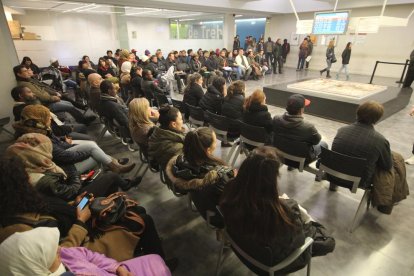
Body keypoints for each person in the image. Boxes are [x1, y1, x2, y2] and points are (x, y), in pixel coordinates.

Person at [0, 157, 176, 268]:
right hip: (82, 242)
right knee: (142, 218)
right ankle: (158, 261)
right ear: (17, 186)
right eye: (25, 178)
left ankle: (146, 244)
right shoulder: (19, 229)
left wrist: (76, 203)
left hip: (79, 221)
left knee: (133, 209)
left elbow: (59, 210)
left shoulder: (23, 206)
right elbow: (61, 255)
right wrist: (80, 221)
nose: (30, 180)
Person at [220, 146, 335, 275]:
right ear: (271, 180)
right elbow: (299, 241)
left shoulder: (229, 190)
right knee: (327, 240)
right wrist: (301, 214)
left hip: (242, 251)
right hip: (271, 266)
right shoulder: (282, 212)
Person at [6, 133, 138, 200]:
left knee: (101, 164)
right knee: (111, 176)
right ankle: (121, 187)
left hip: (71, 192)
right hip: (79, 203)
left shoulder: (32, 168)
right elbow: (72, 192)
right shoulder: (43, 180)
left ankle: (115, 190)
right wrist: (76, 175)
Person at [331, 101, 409, 213]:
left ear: (357, 113)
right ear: (377, 119)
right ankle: (385, 204)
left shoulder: (342, 130)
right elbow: (387, 166)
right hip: (359, 180)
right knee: (394, 163)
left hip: (333, 172)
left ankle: (333, 186)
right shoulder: (380, 140)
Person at [12, 105, 135, 174]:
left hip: (60, 154)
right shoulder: (38, 136)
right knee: (92, 149)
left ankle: (112, 163)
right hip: (62, 169)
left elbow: (56, 145)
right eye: (48, 117)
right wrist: (87, 152)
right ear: (39, 119)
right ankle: (113, 166)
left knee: (92, 144)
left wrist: (64, 142)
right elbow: (63, 157)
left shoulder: (38, 129)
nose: (50, 119)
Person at [0, 227, 171, 276]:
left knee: (155, 259)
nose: (59, 249)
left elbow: (89, 255)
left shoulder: (63, 254)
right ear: (36, 266)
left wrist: (116, 268)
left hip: (112, 272)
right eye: (51, 252)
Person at [166, 127, 235, 228]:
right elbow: (234, 202)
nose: (216, 143)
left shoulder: (180, 164)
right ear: (208, 150)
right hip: (221, 219)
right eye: (215, 141)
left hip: (204, 208)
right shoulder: (218, 177)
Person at [13, 65, 95, 125]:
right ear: (19, 74)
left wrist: (54, 93)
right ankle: (83, 120)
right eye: (25, 71)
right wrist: (53, 98)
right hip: (44, 105)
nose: (28, 72)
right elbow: (41, 96)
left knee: (69, 103)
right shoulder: (25, 84)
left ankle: (82, 120)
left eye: (28, 70)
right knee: (69, 106)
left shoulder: (29, 80)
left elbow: (44, 88)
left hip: (47, 101)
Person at [11, 85, 91, 140]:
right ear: (21, 96)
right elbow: (47, 129)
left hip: (57, 128)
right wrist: (67, 128)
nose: (33, 93)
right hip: (55, 135)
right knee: (89, 137)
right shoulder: (25, 111)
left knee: (82, 127)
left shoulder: (26, 107)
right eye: (29, 92)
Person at [272, 94, 327, 162]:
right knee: (324, 144)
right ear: (301, 110)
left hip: (280, 151)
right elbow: (316, 141)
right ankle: (319, 166)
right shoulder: (308, 127)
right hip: (300, 158)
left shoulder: (276, 119)